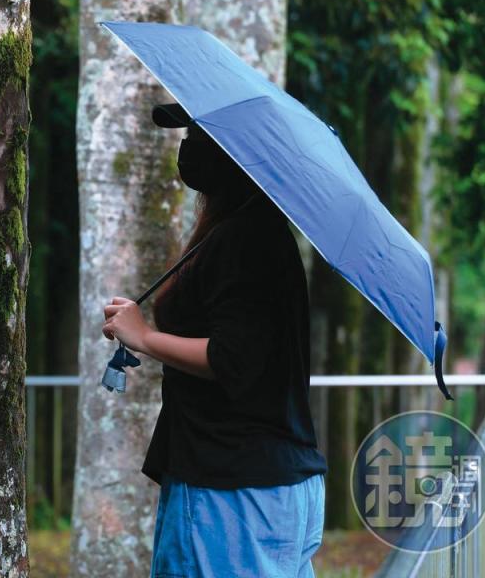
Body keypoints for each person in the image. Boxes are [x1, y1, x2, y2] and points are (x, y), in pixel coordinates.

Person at [101, 103, 328, 578]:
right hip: (253, 482)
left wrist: (143, 336)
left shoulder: (245, 239)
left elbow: (231, 359)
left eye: (204, 134)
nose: (189, 146)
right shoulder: (247, 232)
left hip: (235, 492)